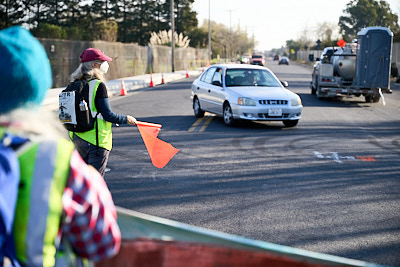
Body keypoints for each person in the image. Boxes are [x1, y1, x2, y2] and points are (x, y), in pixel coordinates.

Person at [0, 26, 121, 266]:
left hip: (78, 138)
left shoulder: (71, 87)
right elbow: (103, 244)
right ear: (35, 87)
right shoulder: (54, 160)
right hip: (97, 142)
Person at [68, 48, 137, 177]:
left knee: (81, 181)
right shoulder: (98, 86)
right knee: (94, 182)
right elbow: (108, 115)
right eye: (101, 61)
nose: (104, 64)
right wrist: (126, 118)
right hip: (96, 142)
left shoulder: (73, 85)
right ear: (94, 65)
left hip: (77, 139)